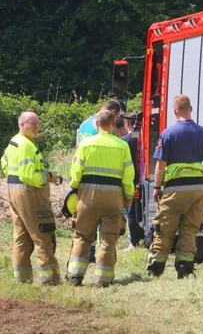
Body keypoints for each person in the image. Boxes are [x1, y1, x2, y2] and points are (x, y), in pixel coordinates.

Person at [147, 95, 203, 278]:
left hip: (174, 189)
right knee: (190, 228)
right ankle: (185, 266)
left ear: (175, 111)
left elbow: (160, 165)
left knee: (164, 228)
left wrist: (157, 187)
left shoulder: (168, 133)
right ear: (190, 109)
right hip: (198, 189)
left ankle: (156, 266)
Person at [66, 110, 134, 287]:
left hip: (88, 196)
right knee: (108, 238)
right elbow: (128, 177)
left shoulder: (86, 144)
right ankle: (103, 279)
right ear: (113, 124)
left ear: (97, 124)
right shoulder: (122, 146)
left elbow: (76, 173)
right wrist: (128, 198)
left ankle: (75, 275)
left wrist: (74, 189)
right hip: (113, 197)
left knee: (82, 235)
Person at [1, 112, 62, 285]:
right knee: (43, 234)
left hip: (14, 192)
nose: (37, 126)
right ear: (22, 125)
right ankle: (50, 280)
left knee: (21, 237)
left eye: (38, 123)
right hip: (30, 193)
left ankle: (22, 279)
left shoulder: (14, 142)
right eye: (33, 123)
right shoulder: (26, 145)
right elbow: (28, 175)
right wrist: (48, 176)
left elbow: (4, 163)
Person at [76, 99, 122, 263]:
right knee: (105, 226)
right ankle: (97, 256)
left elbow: (77, 153)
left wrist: (75, 183)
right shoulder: (107, 131)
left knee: (84, 225)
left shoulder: (83, 125)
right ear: (114, 115)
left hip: (84, 181)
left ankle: (83, 257)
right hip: (106, 183)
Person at [117, 114, 144, 250]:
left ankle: (134, 242)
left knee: (131, 211)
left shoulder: (125, 141)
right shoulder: (146, 138)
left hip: (131, 180)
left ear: (127, 123)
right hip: (145, 180)